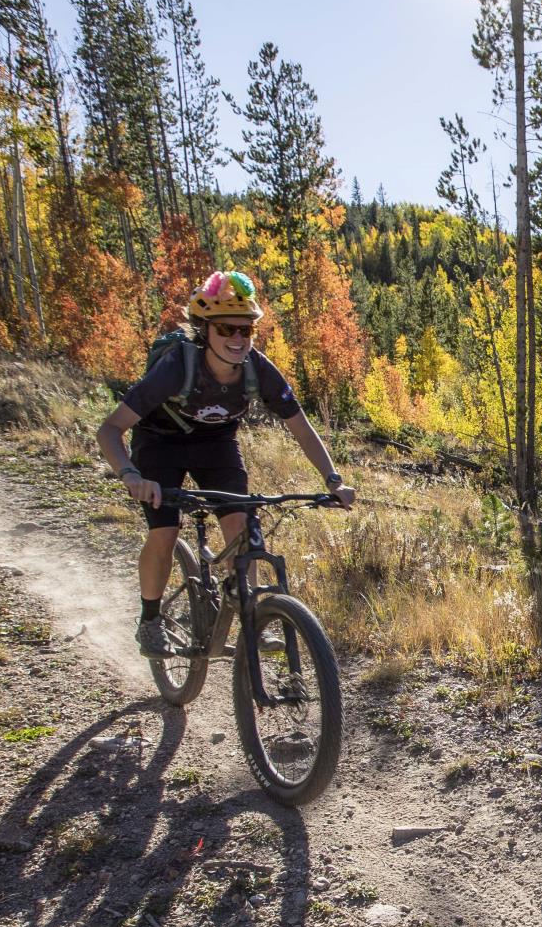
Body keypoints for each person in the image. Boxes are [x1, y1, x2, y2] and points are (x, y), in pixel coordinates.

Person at [96, 270, 356, 658]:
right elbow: (110, 430)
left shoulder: (258, 369)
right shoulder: (176, 368)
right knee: (165, 531)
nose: (237, 339)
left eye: (246, 331)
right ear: (205, 331)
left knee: (243, 524)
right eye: (227, 330)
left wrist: (333, 480)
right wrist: (132, 475)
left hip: (216, 444)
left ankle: (250, 619)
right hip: (160, 445)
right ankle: (150, 620)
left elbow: (301, 428)